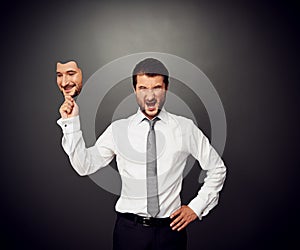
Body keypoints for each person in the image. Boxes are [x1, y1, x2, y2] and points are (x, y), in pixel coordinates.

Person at [57, 58, 226, 250]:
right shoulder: (118, 130)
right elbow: (83, 166)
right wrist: (71, 124)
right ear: (135, 90)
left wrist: (196, 208)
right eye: (143, 88)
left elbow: (217, 168)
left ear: (166, 88)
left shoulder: (184, 128)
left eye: (157, 88)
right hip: (130, 233)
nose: (150, 96)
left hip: (171, 232)